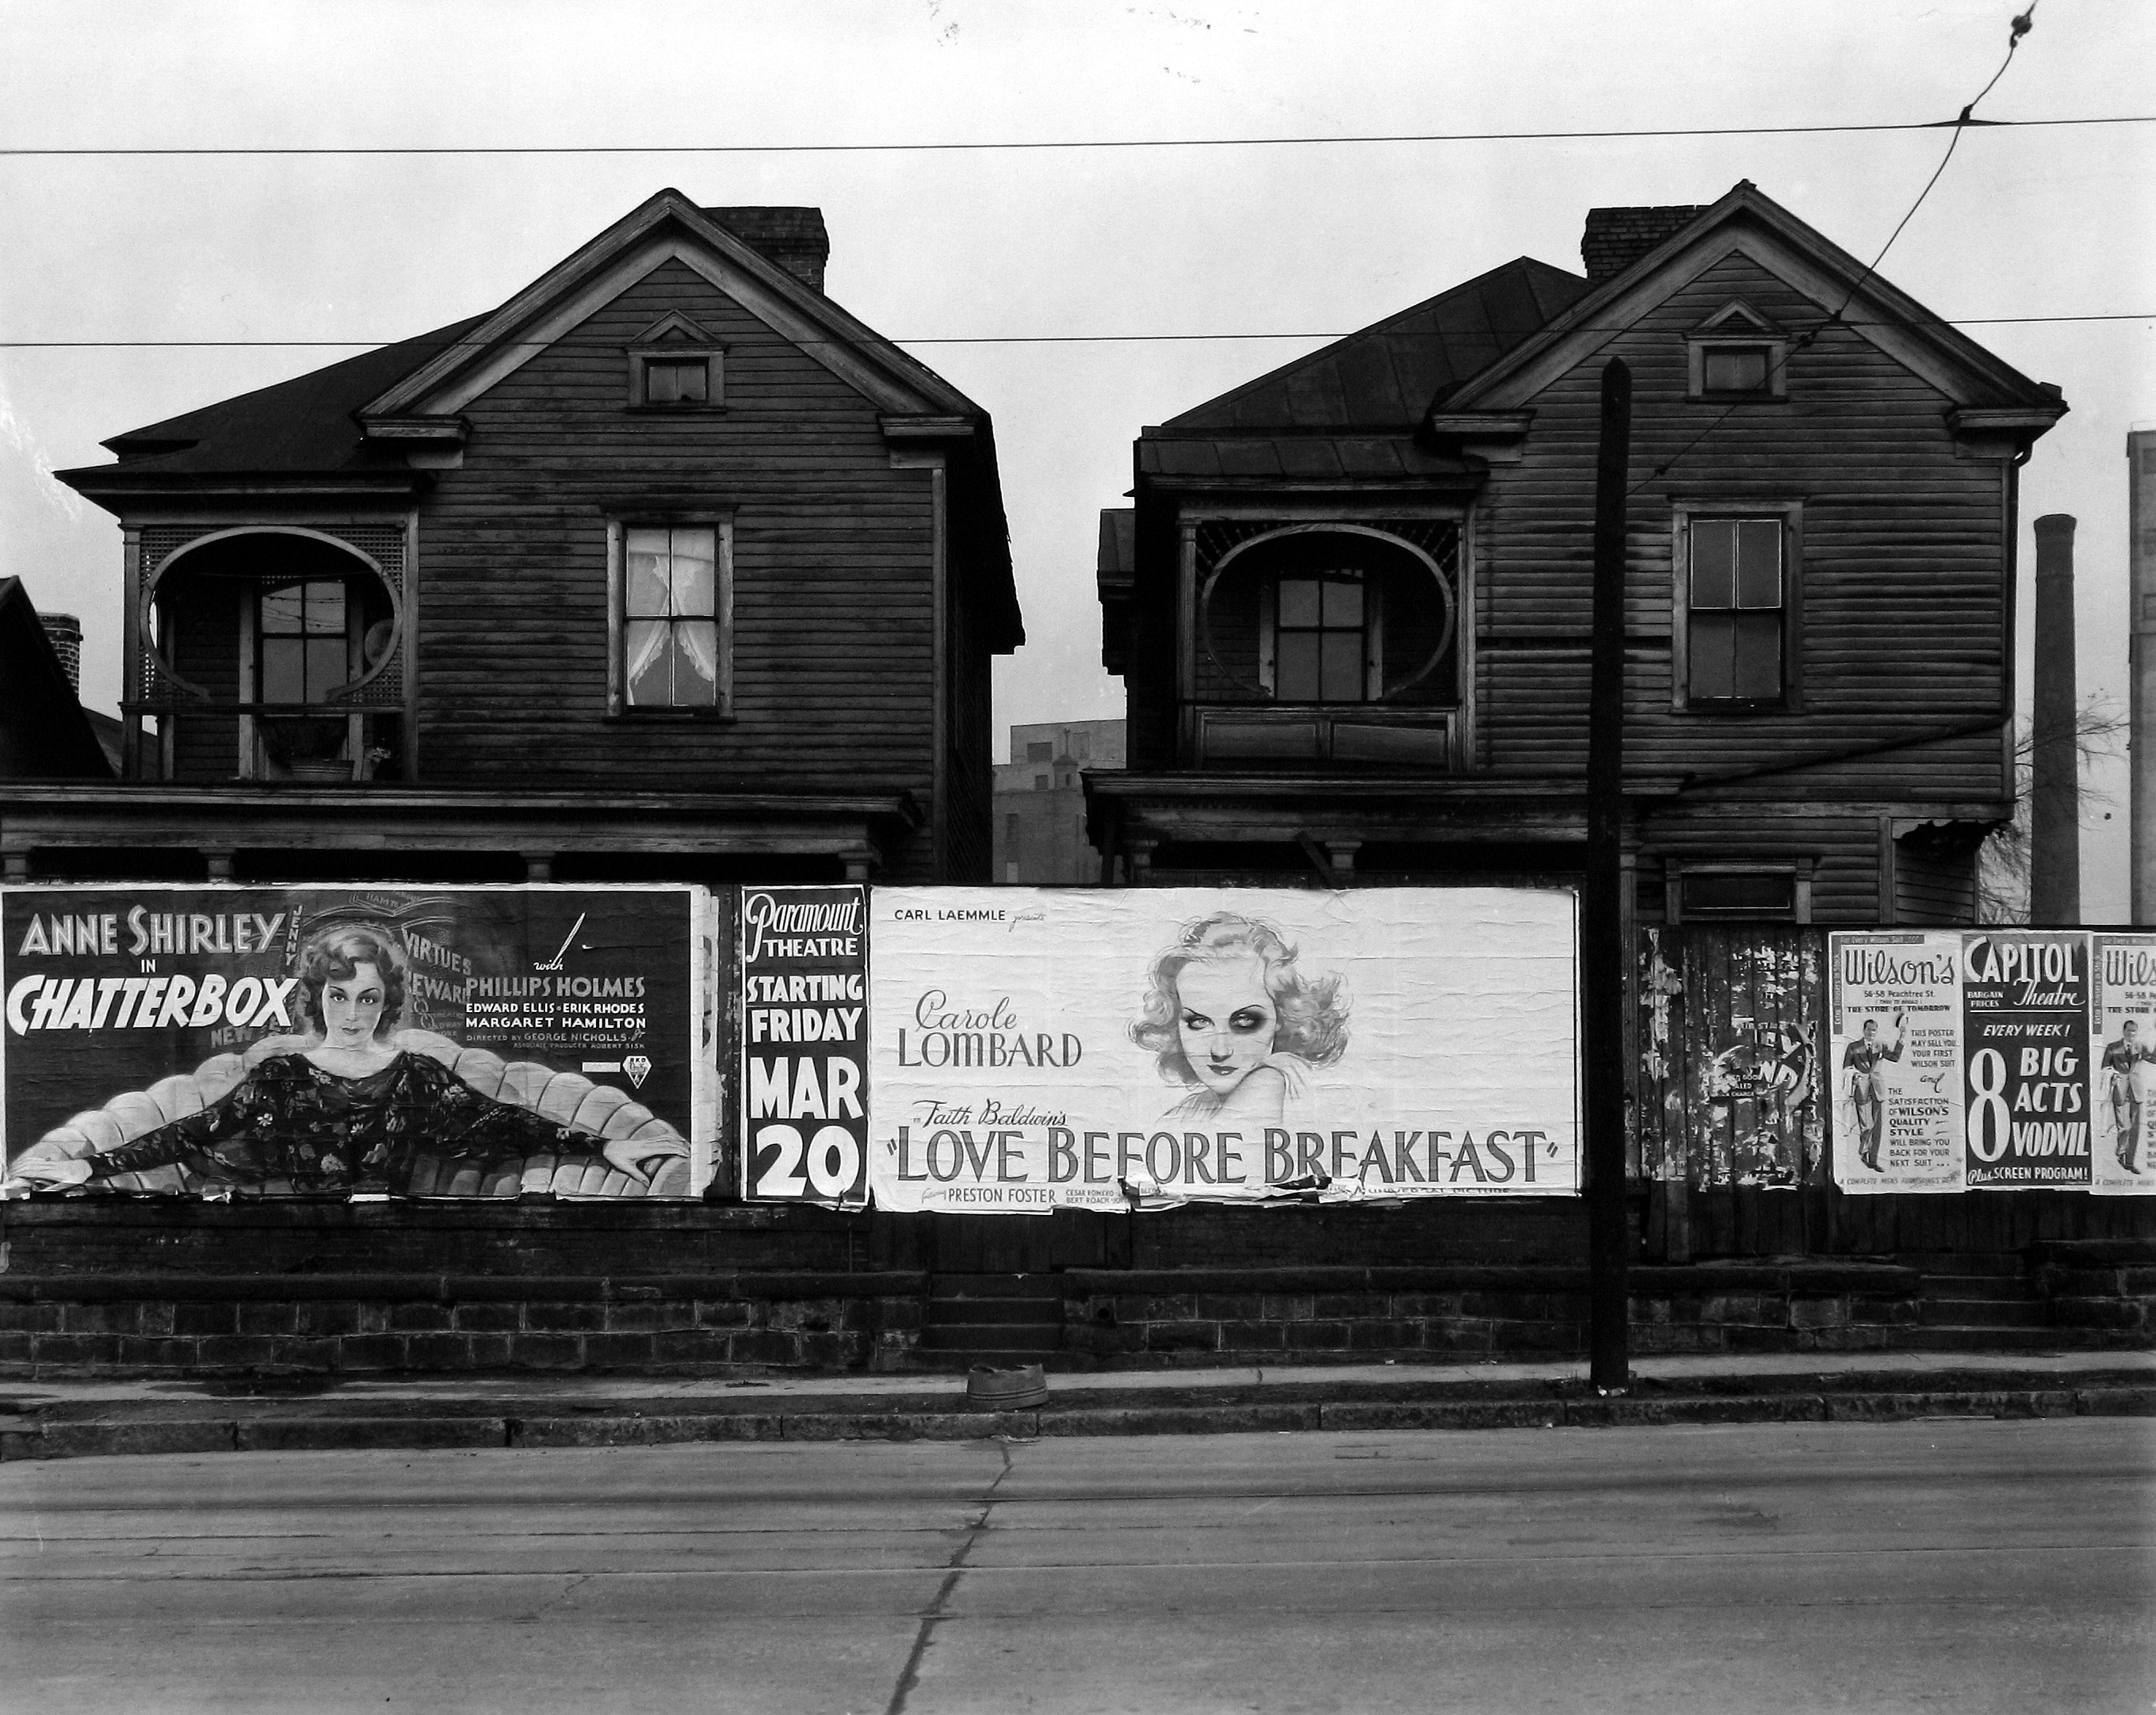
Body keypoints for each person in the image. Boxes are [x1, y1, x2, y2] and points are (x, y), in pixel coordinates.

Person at [7, 924, 686, 1197]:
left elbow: (503, 1121)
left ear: (386, 1001)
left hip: (394, 1246)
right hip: (292, 1244)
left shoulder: (418, 1076)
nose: (353, 1012)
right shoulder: (280, 1076)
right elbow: (194, 1132)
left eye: (368, 997)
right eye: (339, 995)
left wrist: (602, 1145)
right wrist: (90, 1164)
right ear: (319, 996)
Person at [1130, 912, 1349, 1129]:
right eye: (1198, 1022)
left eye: (1244, 1022)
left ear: (1281, 1017)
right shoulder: (1194, 1109)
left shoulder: (1271, 1080)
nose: (1220, 1050)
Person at [1841, 1013, 1903, 1172]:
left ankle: (1873, 1161)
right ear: (1864, 1030)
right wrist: (1854, 1075)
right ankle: (1863, 1152)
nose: (1871, 1033)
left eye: (1874, 1030)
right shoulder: (1853, 1047)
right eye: (1869, 1030)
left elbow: (1895, 1058)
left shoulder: (1880, 1045)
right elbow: (1846, 1067)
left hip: (1877, 1089)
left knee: (1877, 1127)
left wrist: (1902, 1037)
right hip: (1861, 1089)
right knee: (1867, 1126)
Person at [2100, 1018, 2153, 1175]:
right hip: (2120, 1090)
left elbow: (2154, 1059)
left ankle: (2129, 1162)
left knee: (2135, 1128)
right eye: (2129, 1030)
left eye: (2134, 1031)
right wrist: (2113, 1075)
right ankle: (2121, 1153)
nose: (2132, 1033)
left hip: (2136, 1090)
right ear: (2124, 1031)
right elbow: (2104, 1067)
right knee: (2125, 1126)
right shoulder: (2112, 1047)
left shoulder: (2140, 1047)